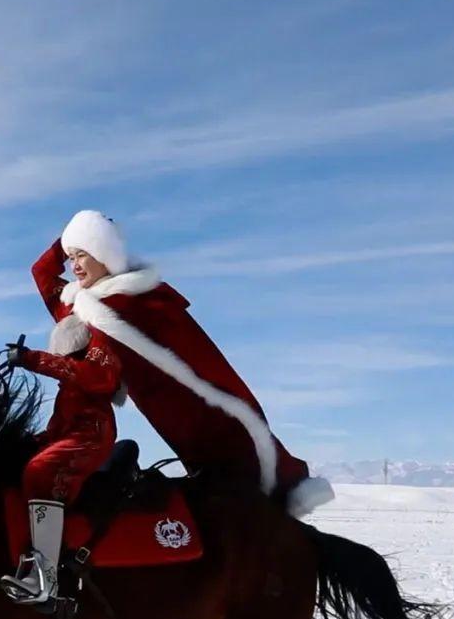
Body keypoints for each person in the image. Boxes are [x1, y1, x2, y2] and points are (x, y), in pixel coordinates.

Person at [30, 210, 334, 517]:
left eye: (82, 255)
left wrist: (34, 360)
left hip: (173, 402)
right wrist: (74, 236)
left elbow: (106, 374)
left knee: (226, 455)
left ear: (104, 255)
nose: (74, 266)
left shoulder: (127, 305)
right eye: (71, 258)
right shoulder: (80, 301)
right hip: (149, 406)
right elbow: (42, 272)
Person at [0, 317, 122, 605]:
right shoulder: (70, 384)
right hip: (74, 435)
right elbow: (60, 425)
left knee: (41, 471)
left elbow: (94, 377)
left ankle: (45, 579)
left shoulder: (99, 353)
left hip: (92, 437)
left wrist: (32, 359)